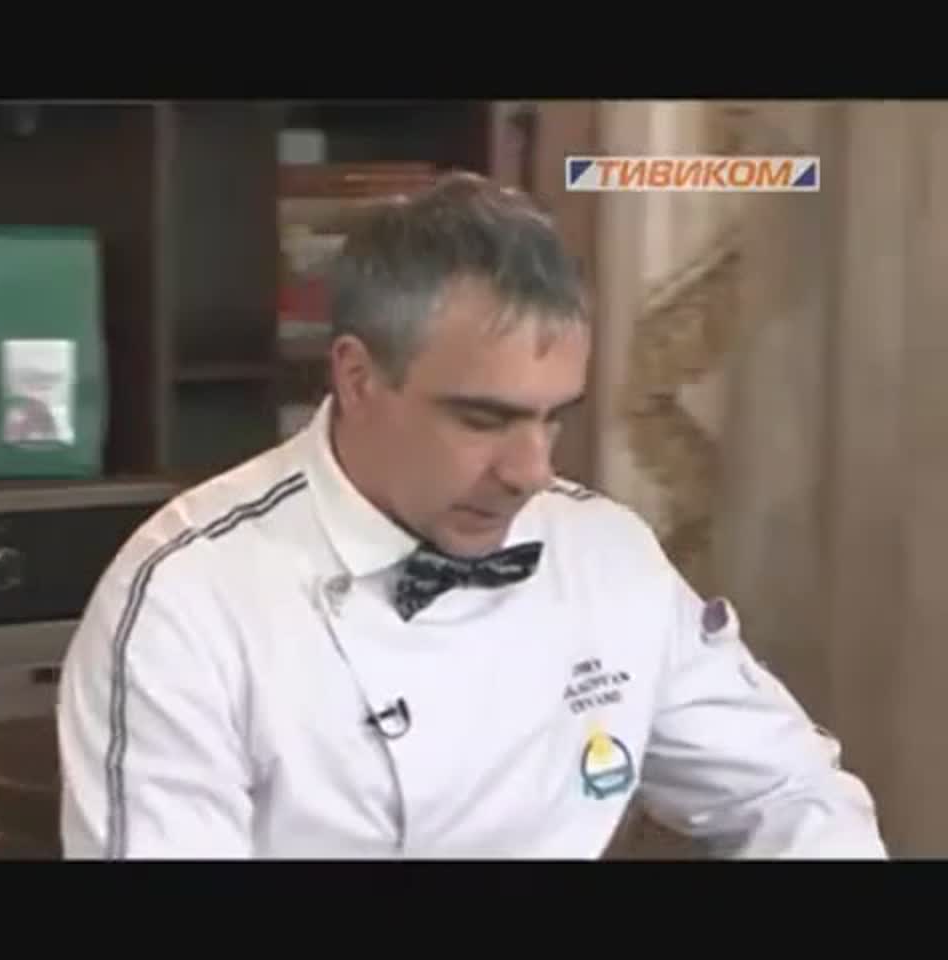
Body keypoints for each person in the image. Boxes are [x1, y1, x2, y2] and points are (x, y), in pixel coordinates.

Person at [56, 172, 888, 859]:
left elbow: (791, 791)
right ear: (357, 376)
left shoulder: (606, 557)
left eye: (552, 418)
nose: (532, 472)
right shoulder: (187, 599)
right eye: (484, 419)